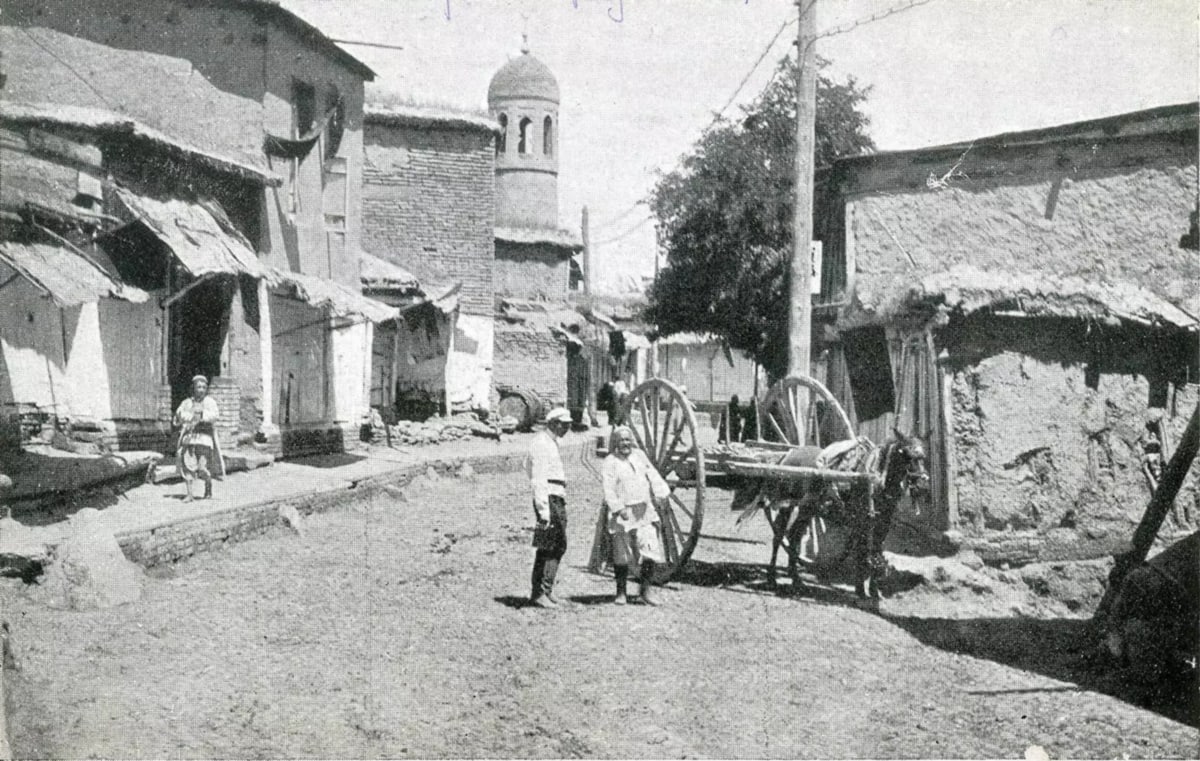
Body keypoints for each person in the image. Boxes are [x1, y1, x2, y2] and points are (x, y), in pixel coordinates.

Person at [601, 426, 671, 605]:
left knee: (650, 548)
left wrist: (662, 492)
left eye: (628, 439)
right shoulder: (611, 461)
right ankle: (621, 592)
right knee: (622, 553)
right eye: (621, 440)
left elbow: (652, 474)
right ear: (615, 443)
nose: (625, 443)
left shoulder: (639, 456)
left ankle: (645, 590)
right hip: (623, 512)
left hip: (644, 511)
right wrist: (618, 508)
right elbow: (608, 488)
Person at [526, 407, 572, 608]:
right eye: (564, 424)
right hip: (549, 498)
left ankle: (547, 589)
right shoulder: (541, 443)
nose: (568, 427)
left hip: (557, 497)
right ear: (553, 423)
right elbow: (537, 477)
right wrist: (543, 509)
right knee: (548, 545)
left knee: (558, 544)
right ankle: (539, 593)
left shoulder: (551, 443)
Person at [173, 375, 221, 502]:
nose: (201, 390)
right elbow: (178, 416)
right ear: (193, 388)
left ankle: (208, 484)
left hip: (204, 439)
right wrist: (185, 416)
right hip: (189, 439)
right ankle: (189, 494)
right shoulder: (187, 402)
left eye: (204, 387)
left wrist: (202, 415)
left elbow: (215, 415)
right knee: (188, 466)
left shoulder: (210, 402)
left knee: (201, 468)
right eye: (198, 387)